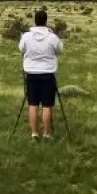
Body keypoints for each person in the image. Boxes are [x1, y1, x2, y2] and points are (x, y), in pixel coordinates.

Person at [18, 9, 63, 140]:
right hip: (48, 75)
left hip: (31, 74)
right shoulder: (52, 37)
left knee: (32, 104)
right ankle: (47, 134)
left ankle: (34, 133)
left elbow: (21, 48)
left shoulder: (26, 36)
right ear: (46, 21)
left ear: (35, 21)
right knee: (47, 106)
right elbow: (60, 49)